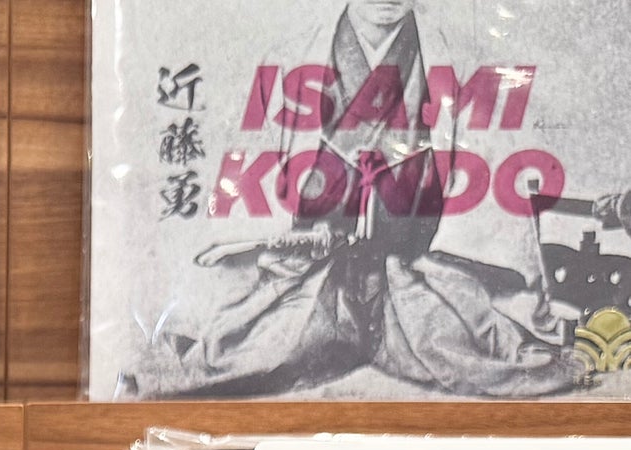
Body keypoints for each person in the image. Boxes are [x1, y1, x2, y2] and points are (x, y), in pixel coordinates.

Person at [128, 0, 588, 397]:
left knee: (464, 351)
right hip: (313, 273)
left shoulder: (458, 63)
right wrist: (289, 235)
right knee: (253, 355)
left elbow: (487, 205)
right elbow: (251, 188)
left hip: (414, 272)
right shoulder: (292, 57)